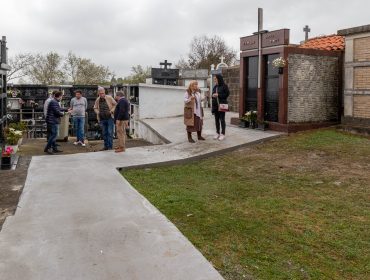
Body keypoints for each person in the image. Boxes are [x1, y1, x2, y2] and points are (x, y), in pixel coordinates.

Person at [212, 74, 229, 141]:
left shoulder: (224, 86)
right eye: (214, 79)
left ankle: (223, 134)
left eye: (215, 79)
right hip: (216, 105)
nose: (214, 80)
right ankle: (217, 133)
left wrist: (218, 95)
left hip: (222, 105)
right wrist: (213, 95)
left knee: (222, 119)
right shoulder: (215, 87)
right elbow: (212, 94)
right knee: (216, 120)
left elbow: (227, 94)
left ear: (219, 79)